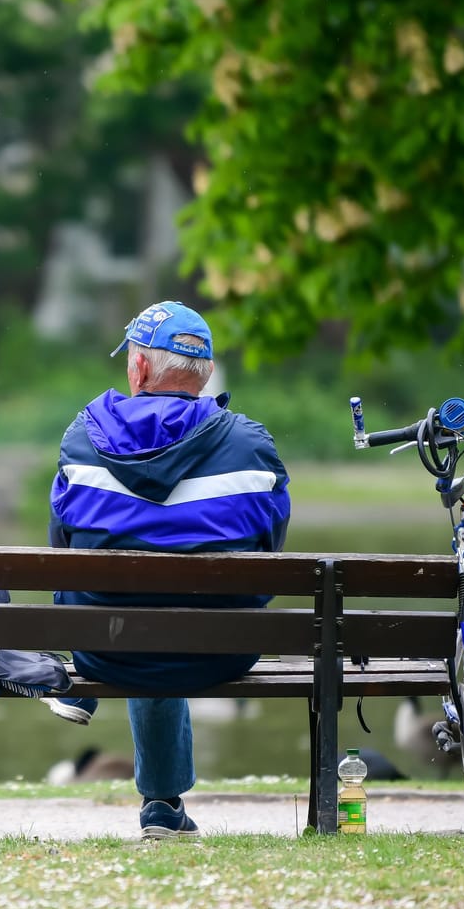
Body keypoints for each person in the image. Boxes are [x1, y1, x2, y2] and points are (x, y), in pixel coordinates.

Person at [44, 301, 291, 839]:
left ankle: (83, 696)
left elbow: (61, 551)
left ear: (139, 368)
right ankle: (163, 808)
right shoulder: (251, 445)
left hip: (105, 646)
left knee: (128, 615)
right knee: (169, 618)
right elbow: (271, 550)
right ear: (203, 376)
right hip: (222, 648)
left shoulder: (84, 437)